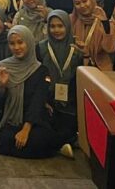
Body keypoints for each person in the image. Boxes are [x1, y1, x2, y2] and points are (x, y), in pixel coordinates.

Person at [0, 25, 73, 159]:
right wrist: (3, 86)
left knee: (37, 139)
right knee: (6, 137)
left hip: (35, 120)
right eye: (12, 43)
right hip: (12, 120)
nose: (16, 47)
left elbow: (37, 102)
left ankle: (46, 146)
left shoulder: (41, 70)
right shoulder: (3, 67)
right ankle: (56, 147)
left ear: (29, 42)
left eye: (20, 42)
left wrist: (25, 130)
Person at [37, 11, 83, 146]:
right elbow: (38, 77)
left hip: (70, 102)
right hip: (47, 99)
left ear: (67, 26)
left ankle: (61, 143)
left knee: (67, 127)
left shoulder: (77, 47)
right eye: (52, 26)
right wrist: (43, 101)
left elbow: (82, 78)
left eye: (60, 26)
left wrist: (85, 55)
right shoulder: (41, 48)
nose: (56, 30)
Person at [70, 0, 115, 71]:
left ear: (91, 0)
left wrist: (105, 24)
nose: (82, 5)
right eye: (77, 3)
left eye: (85, 1)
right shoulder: (72, 20)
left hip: (100, 67)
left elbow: (110, 48)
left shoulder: (102, 19)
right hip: (77, 66)